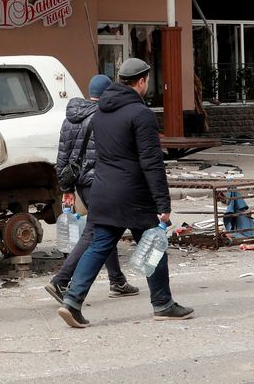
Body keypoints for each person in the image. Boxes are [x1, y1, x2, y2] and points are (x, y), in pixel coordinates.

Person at [57, 58, 194, 328]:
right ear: (141, 82)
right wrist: (163, 202)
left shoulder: (101, 112)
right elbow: (151, 162)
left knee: (98, 246)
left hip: (103, 189)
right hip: (133, 193)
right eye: (147, 81)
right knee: (154, 244)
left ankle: (72, 301)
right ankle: (163, 303)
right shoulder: (141, 114)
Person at [45, 74, 139, 304]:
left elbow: (62, 157)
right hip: (100, 181)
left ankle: (117, 281)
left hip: (79, 181)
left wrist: (66, 188)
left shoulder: (70, 118)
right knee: (96, 231)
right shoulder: (103, 117)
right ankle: (61, 280)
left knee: (106, 230)